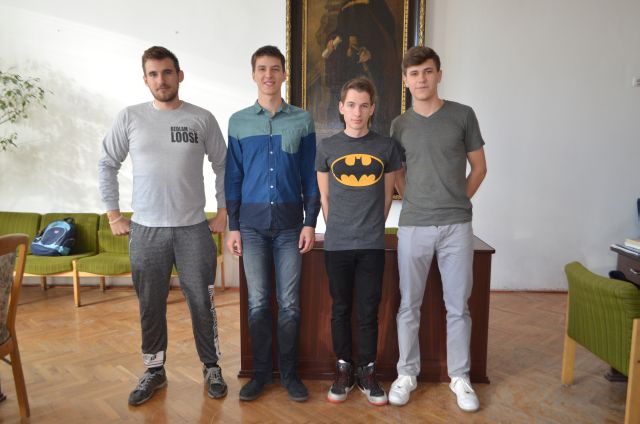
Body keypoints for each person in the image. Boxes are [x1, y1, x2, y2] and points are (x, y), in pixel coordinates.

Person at [98, 46, 228, 406]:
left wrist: (224, 210)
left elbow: (224, 164)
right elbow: (107, 163)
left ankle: (211, 367)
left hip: (193, 229)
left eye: (167, 72)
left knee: (202, 300)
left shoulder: (201, 118)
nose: (161, 80)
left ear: (179, 75)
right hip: (146, 231)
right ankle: (154, 370)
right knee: (150, 303)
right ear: (145, 80)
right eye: (153, 74)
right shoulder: (130, 118)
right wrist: (113, 214)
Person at [388, 46, 487, 412]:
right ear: (406, 80)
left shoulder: (463, 115)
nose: (422, 79)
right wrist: (414, 200)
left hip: (456, 226)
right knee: (408, 305)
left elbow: (479, 167)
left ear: (439, 75)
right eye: (414, 74)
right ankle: (406, 374)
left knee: (458, 307)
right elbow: (398, 174)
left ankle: (460, 377)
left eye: (428, 72)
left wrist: (457, 200)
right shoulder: (399, 125)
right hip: (413, 225)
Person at [225, 45, 320, 402]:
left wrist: (310, 222)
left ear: (284, 74)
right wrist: (234, 225)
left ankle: (290, 374)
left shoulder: (302, 120)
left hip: (290, 227)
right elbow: (233, 177)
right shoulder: (238, 122)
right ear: (254, 75)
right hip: (250, 228)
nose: (268, 74)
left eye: (275, 68)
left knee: (290, 304)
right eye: (262, 68)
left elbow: (310, 175)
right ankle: (261, 374)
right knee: (258, 303)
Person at [316, 77, 400, 405]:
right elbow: (325, 197)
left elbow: (387, 197)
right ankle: (343, 369)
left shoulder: (386, 147)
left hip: (371, 244)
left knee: (368, 309)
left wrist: (370, 229)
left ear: (372, 109)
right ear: (341, 107)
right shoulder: (327, 148)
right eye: (351, 105)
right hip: (337, 243)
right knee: (340, 308)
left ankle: (367, 371)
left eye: (364, 106)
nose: (357, 112)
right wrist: (338, 227)